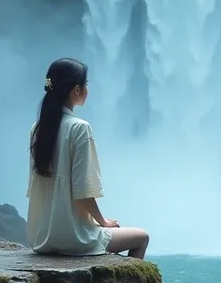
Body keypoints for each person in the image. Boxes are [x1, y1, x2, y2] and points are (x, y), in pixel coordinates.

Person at [26, 57, 149, 259]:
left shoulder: (37, 129)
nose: (87, 89)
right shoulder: (79, 128)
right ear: (76, 90)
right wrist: (103, 222)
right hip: (74, 238)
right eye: (86, 84)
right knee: (142, 237)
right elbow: (82, 190)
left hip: (41, 238)